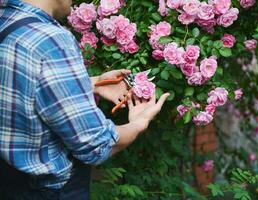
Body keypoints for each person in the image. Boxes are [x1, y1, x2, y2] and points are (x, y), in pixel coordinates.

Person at [0, 0, 169, 199]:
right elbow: (95, 146)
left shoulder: (7, 22)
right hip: (48, 192)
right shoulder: (51, 40)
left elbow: (16, 84)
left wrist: (92, 82)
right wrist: (139, 123)